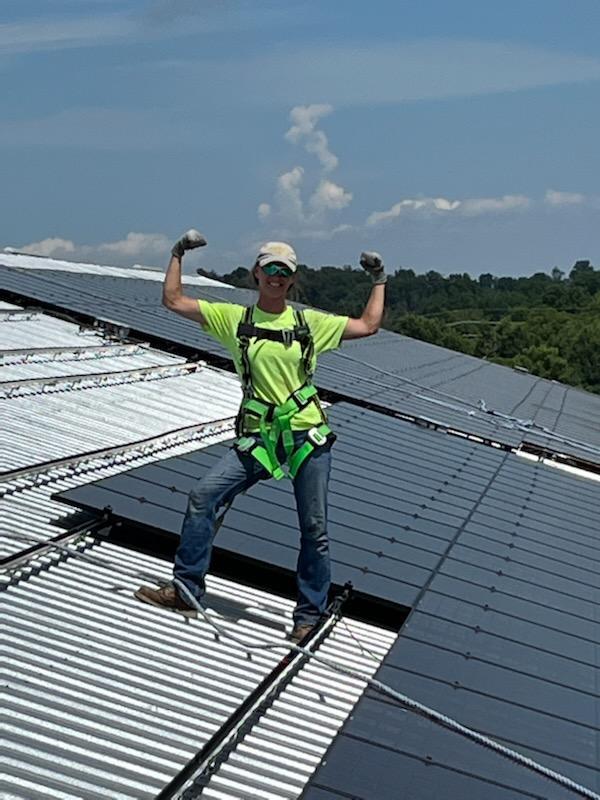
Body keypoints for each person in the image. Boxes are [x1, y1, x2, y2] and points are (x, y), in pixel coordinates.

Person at [135, 231, 386, 642]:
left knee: (314, 528)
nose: (276, 277)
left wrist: (378, 280)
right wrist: (177, 254)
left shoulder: (309, 324)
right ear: (256, 272)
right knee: (203, 496)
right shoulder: (235, 319)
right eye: (270, 269)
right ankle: (186, 590)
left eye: (284, 272)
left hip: (306, 435)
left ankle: (308, 617)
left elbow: (368, 325)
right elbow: (174, 300)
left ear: (292, 279)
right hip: (259, 438)